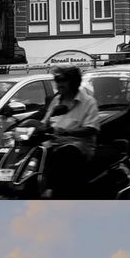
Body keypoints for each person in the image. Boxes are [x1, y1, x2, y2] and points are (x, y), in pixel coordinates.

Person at [41, 65, 100, 197]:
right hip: (53, 143)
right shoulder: (56, 100)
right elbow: (45, 122)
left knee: (65, 153)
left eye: (63, 81)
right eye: (57, 81)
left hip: (78, 145)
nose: (59, 84)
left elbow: (91, 128)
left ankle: (53, 191)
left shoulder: (88, 102)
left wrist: (68, 132)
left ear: (73, 82)